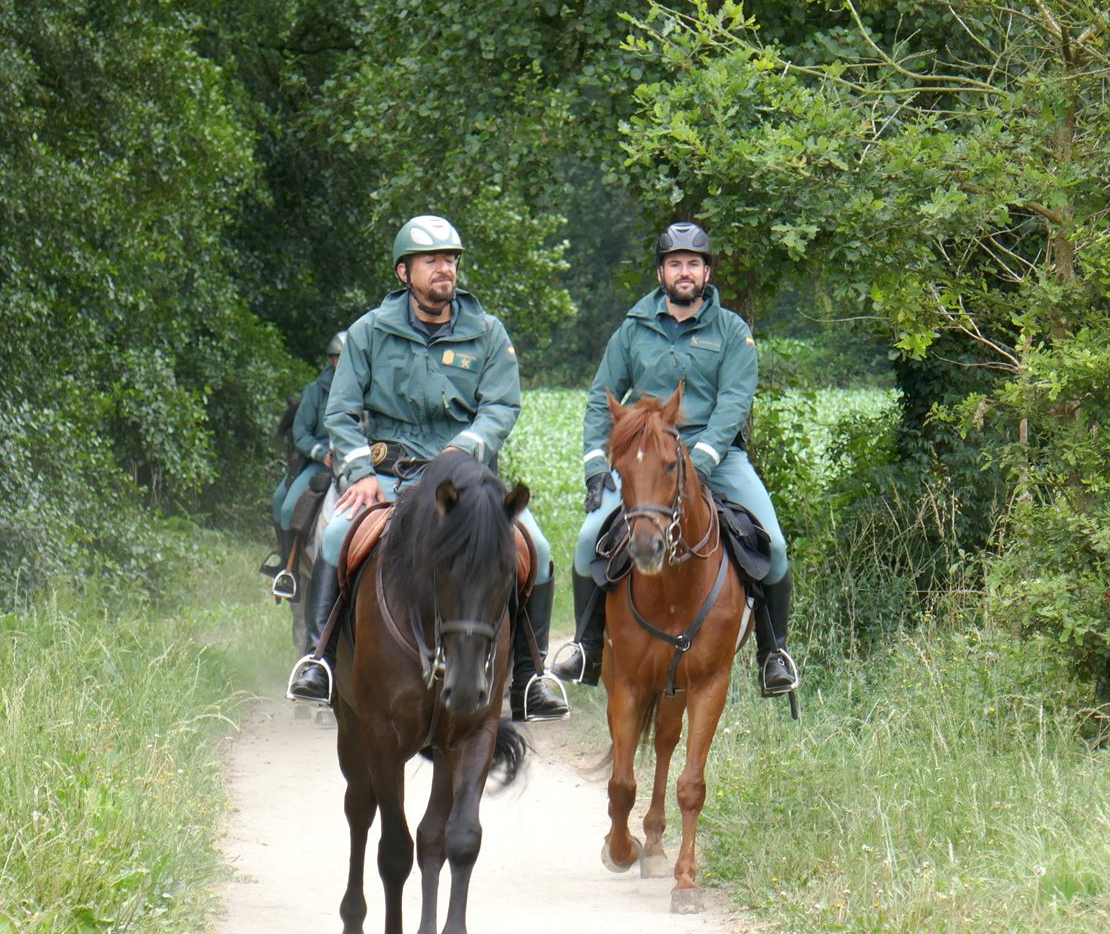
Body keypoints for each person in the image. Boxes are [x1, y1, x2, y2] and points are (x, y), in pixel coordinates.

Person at [287, 214, 566, 722]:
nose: (445, 269)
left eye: (451, 260)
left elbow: (501, 406)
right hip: (390, 475)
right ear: (404, 273)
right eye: (432, 260)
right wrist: (360, 473)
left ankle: (530, 676)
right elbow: (341, 412)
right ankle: (318, 661)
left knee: (537, 548)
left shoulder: (487, 332)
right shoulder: (368, 333)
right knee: (335, 537)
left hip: (465, 478)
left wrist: (465, 448)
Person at [551, 221, 798, 696]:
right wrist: (595, 468)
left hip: (715, 456)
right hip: (646, 459)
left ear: (706, 272)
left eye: (693, 264)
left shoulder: (732, 331)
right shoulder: (633, 329)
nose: (684, 273)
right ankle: (587, 648)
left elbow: (734, 402)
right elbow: (600, 400)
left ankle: (774, 654)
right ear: (661, 272)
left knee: (776, 547)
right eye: (674, 264)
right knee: (587, 541)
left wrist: (700, 460)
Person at [264, 331, 345, 598]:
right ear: (330, 360)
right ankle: (288, 571)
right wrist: (320, 452)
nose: (339, 363)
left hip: (358, 465)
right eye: (336, 358)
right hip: (320, 463)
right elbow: (300, 432)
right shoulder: (315, 391)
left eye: (344, 358)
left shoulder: (369, 389)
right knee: (284, 504)